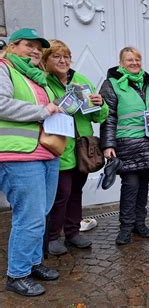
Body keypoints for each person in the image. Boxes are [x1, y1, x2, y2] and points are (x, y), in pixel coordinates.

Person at [0, 28, 62, 296]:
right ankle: (17, 274)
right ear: (13, 46)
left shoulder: (38, 78)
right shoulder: (4, 67)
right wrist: (42, 110)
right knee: (30, 216)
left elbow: (47, 111)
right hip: (18, 154)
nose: (36, 51)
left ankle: (33, 262)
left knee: (41, 213)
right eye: (29, 45)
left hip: (46, 152)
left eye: (39, 47)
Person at [43, 40, 109, 255]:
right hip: (57, 146)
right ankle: (52, 236)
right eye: (57, 56)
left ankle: (72, 233)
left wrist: (101, 104)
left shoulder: (80, 81)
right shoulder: (43, 82)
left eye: (66, 56)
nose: (63, 61)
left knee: (75, 193)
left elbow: (99, 116)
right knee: (61, 193)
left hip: (81, 148)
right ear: (46, 60)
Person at [100, 47, 149, 245]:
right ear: (121, 63)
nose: (134, 63)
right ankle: (126, 227)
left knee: (143, 185)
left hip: (148, 143)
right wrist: (108, 144)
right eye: (129, 60)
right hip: (126, 144)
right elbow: (108, 117)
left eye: (137, 59)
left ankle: (140, 223)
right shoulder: (111, 84)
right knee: (130, 186)